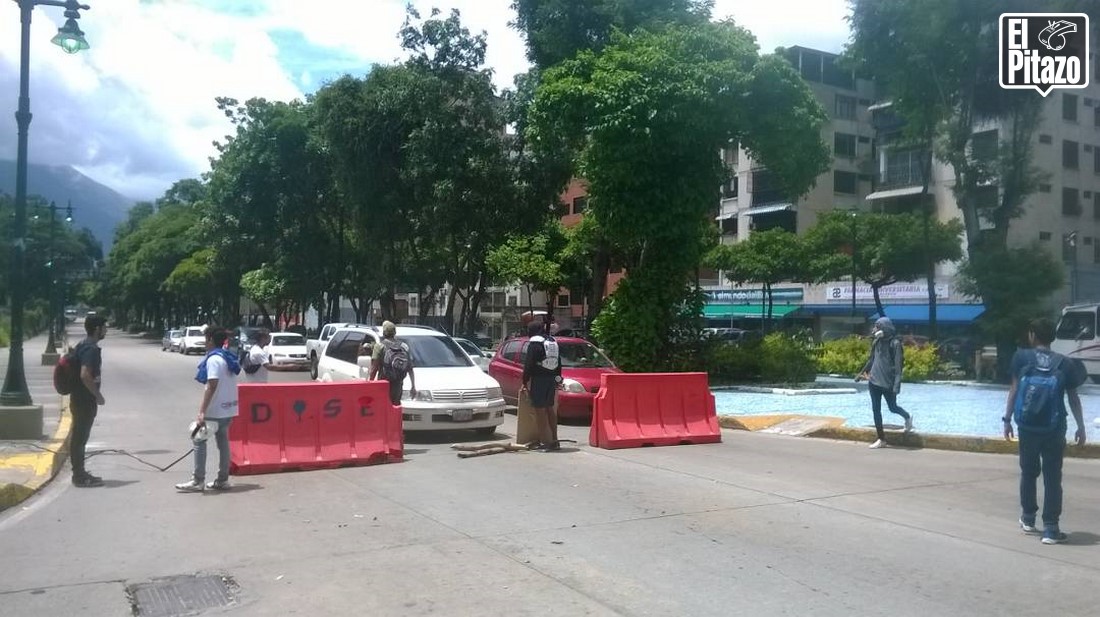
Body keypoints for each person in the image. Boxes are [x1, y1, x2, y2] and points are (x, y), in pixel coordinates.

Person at [1003, 318, 1087, 545]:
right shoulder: (1064, 363)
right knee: (1052, 477)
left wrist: (1007, 419)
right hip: (1054, 427)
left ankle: (1028, 518)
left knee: (1028, 472)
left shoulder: (1021, 357)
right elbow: (1073, 398)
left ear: (1032, 335)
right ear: (1052, 337)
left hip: (1027, 426)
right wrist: (1081, 426)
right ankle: (1051, 528)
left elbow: (1013, 390)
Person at [176, 326, 241, 493]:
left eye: (206, 338)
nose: (205, 342)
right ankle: (222, 479)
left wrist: (202, 412)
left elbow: (211, 385)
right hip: (229, 409)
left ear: (211, 340)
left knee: (198, 440)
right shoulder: (228, 358)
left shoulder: (213, 360)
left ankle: (198, 480)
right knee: (223, 444)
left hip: (215, 411)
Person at [857, 317, 913, 449]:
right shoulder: (876, 342)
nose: (874, 329)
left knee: (893, 408)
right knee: (876, 410)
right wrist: (861, 373)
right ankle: (881, 439)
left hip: (887, 382)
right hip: (873, 382)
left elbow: (898, 367)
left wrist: (897, 385)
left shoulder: (895, 344)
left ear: (885, 328)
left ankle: (907, 417)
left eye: (877, 326)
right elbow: (871, 360)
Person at [70, 315, 107, 487]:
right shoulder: (90, 349)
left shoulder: (82, 345)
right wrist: (97, 395)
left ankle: (80, 473)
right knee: (80, 438)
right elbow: (85, 374)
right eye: (103, 327)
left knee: (79, 437)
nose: (105, 330)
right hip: (84, 400)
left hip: (79, 399)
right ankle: (79, 476)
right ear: (96, 329)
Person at [522, 319, 562, 451]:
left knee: (540, 411)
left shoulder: (534, 343)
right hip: (551, 379)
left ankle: (546, 442)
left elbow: (529, 364)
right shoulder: (552, 341)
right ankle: (554, 440)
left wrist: (524, 381)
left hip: (539, 379)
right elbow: (558, 362)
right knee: (550, 409)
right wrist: (557, 379)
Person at [368, 321, 417, 406]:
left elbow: (374, 368)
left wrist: (370, 385)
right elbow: (410, 368)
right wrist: (413, 386)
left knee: (383, 408)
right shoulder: (404, 346)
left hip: (383, 385)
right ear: (395, 332)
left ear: (383, 332)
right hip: (398, 384)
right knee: (395, 408)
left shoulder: (379, 346)